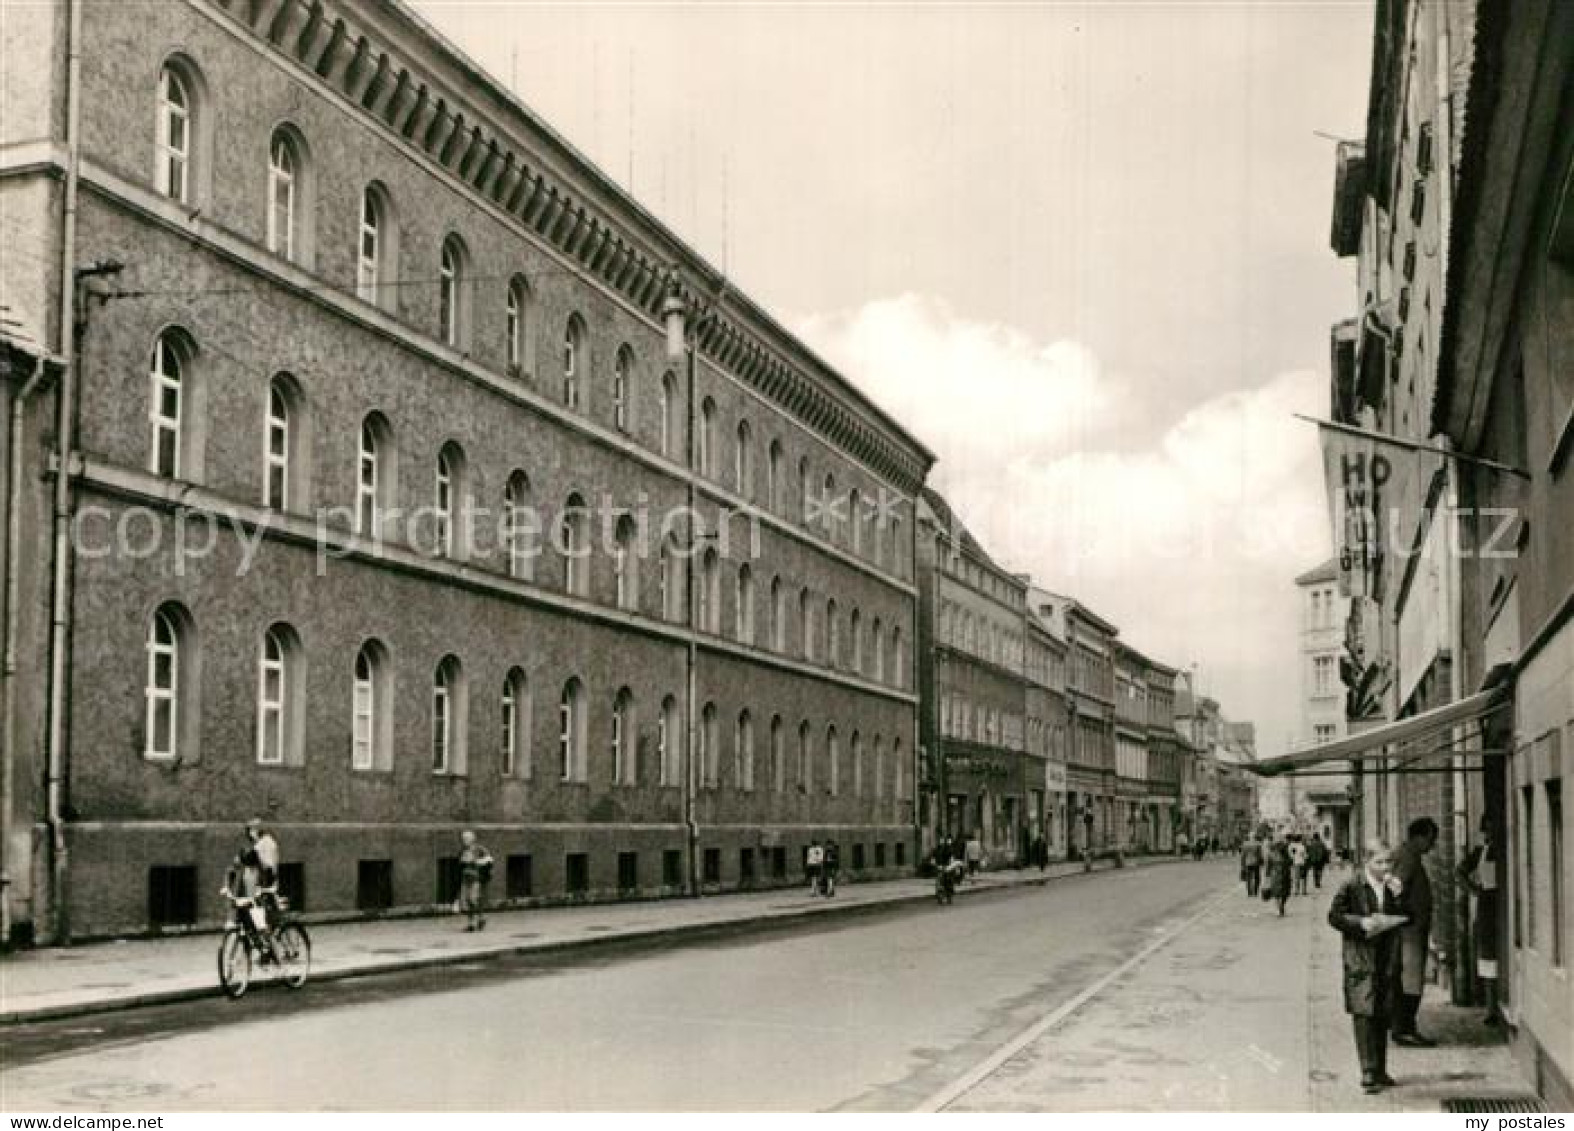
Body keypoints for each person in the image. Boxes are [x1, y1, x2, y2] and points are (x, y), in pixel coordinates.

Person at [1328, 838, 1405, 1094]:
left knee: (1383, 1012)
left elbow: (1408, 918)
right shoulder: (1352, 885)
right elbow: (1334, 916)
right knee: (1364, 1013)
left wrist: (1399, 898)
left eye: (1388, 862)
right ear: (1366, 862)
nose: (1385, 867)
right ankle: (1367, 1071)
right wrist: (1361, 923)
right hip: (1360, 958)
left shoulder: (1392, 886)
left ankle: (1381, 1069)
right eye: (1379, 862)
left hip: (1386, 956)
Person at [1390, 816, 1439, 1047]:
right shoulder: (1407, 859)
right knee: (1411, 982)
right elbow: (1395, 890)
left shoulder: (1407, 855)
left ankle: (1403, 1027)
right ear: (1419, 837)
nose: (1432, 845)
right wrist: (1406, 915)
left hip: (1411, 931)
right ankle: (1405, 1029)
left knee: (1409, 981)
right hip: (1408, 933)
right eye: (1430, 839)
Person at [1456, 815, 1505, 1027]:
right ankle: (1491, 1008)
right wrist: (1475, 891)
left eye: (1494, 830)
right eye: (1487, 830)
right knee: (1488, 955)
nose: (1490, 835)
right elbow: (1458, 873)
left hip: (1504, 903)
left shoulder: (1506, 849)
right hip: (1488, 905)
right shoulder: (1480, 852)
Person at [457, 829, 493, 932]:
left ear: (472, 839)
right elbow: (460, 864)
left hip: (476, 879)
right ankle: (472, 923)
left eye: (466, 838)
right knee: (467, 901)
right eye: (463, 839)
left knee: (473, 899)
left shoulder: (480, 849)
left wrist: (476, 861)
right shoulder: (462, 851)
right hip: (466, 878)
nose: (464, 841)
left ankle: (480, 918)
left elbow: (489, 860)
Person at [1264, 835, 1292, 916]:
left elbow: (1268, 866)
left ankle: (1279, 906)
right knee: (1285, 892)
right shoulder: (1286, 854)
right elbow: (1290, 863)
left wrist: (1267, 876)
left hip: (1275, 875)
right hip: (1285, 874)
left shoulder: (1271, 854)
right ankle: (1282, 905)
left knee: (1276, 893)